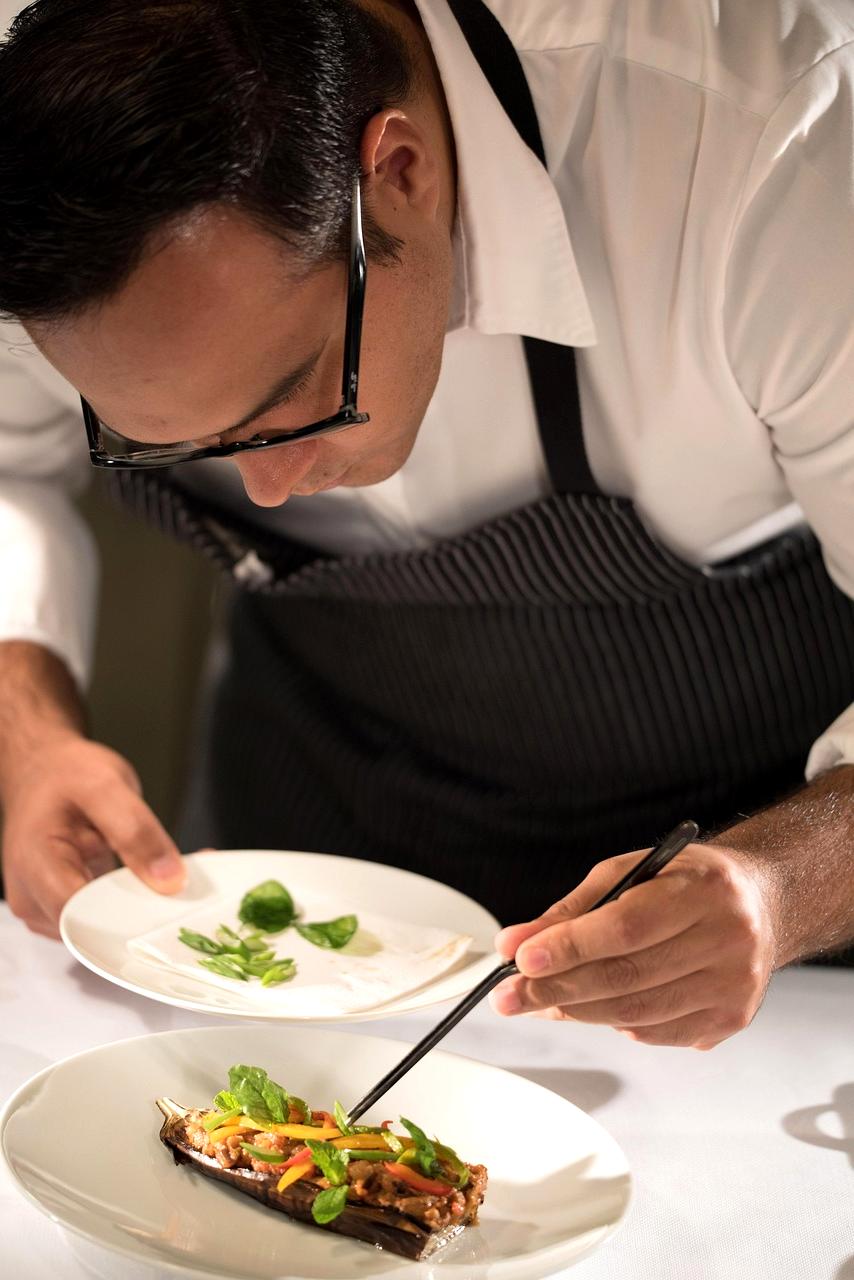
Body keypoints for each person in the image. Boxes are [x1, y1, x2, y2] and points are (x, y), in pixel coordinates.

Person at [0, 0, 852, 1051]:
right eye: (176, 441)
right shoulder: (40, 139)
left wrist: (781, 884)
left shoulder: (771, 149)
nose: (268, 490)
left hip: (740, 905)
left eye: (294, 395)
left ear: (397, 173)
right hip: (312, 796)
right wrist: (28, 734)